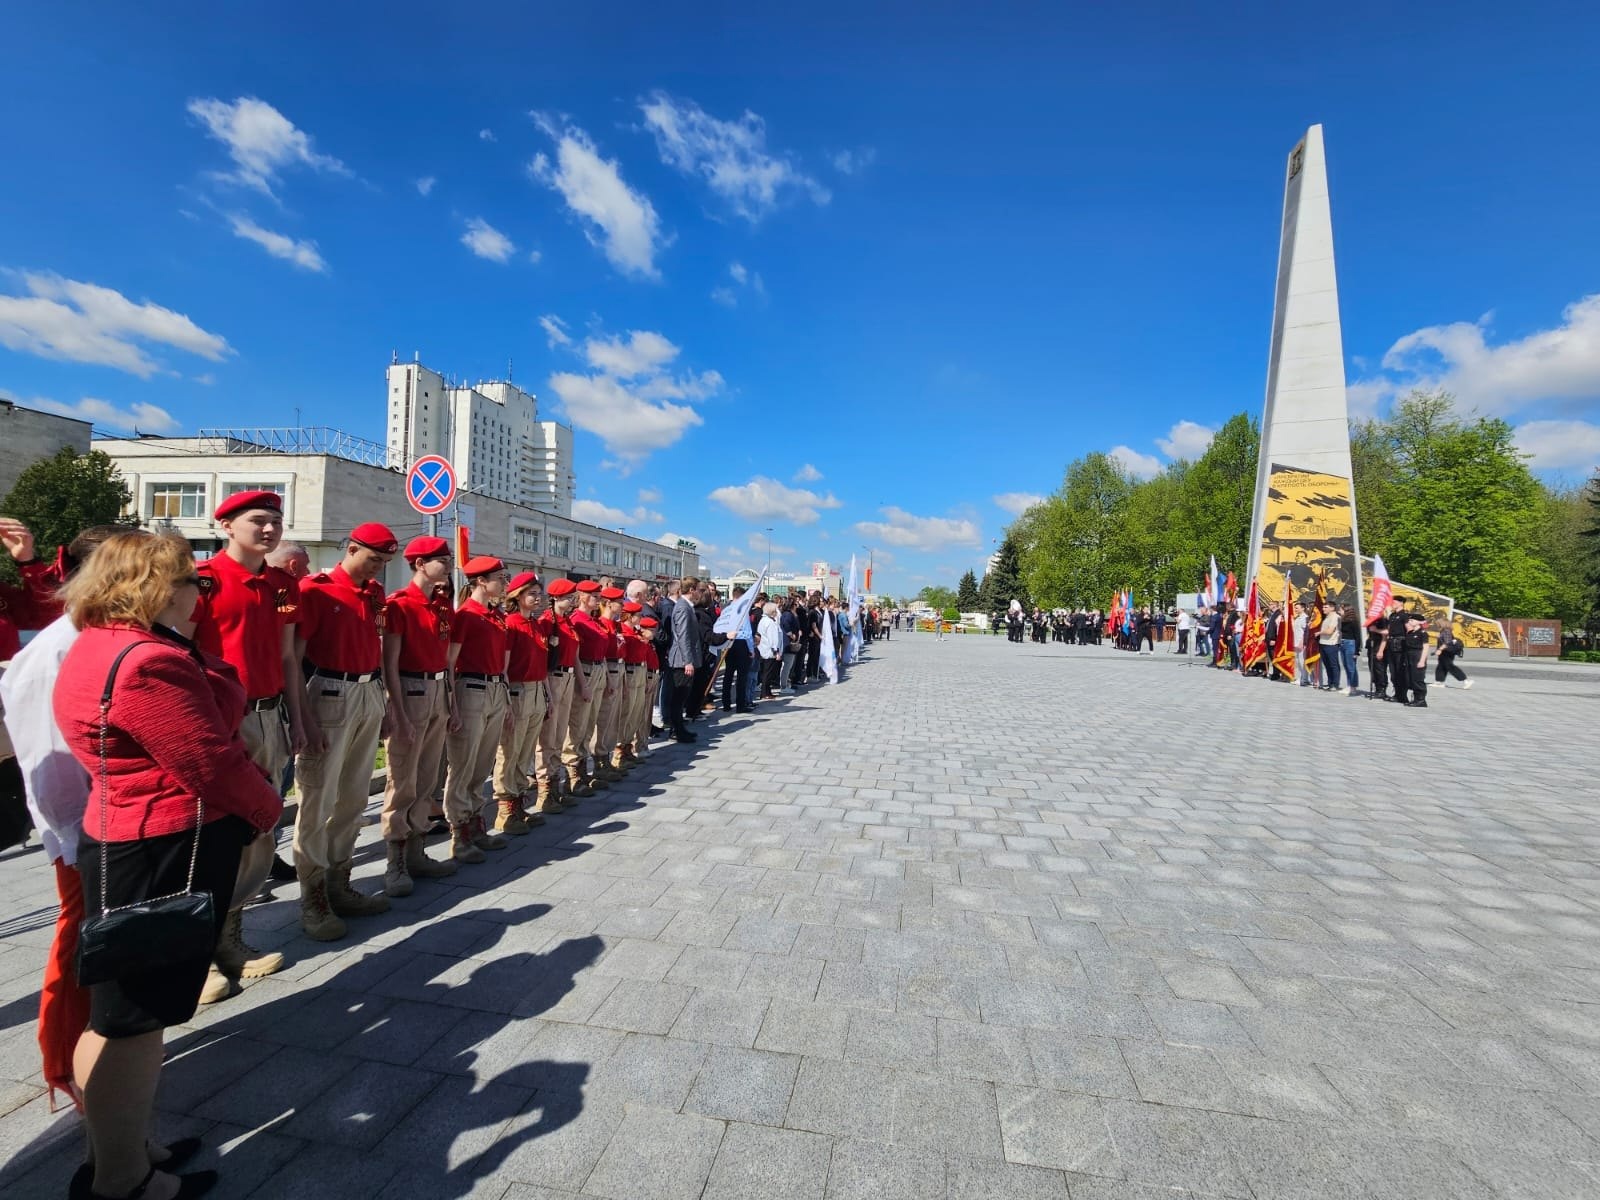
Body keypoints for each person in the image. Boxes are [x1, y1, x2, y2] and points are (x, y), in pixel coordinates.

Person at [54, 530, 284, 1200]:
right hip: (161, 848)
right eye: (194, 582)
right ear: (153, 586)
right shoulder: (147, 660)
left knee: (118, 1015)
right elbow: (210, 760)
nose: (201, 594)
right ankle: (124, 1180)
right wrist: (268, 810)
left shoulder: (101, 643)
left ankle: (118, 1149)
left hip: (129, 839)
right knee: (133, 1022)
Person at [0, 525, 125, 1120]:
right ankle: (67, 1067)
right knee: (81, 940)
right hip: (84, 833)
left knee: (103, 943)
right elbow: (48, 766)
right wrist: (79, 842)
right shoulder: (54, 651)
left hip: (111, 824)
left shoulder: (99, 635)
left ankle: (102, 1058)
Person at [189, 490, 302, 1003]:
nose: (269, 529)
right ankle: (197, 954)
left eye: (276, 521)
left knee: (261, 829)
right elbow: (181, 657)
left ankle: (229, 938)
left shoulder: (280, 585)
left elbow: (286, 659)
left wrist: (295, 719)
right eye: (258, 520)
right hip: (218, 722)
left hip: (268, 716)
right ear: (227, 526)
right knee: (209, 836)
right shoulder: (203, 582)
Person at [293, 523, 397, 940]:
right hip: (329, 692)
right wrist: (303, 717)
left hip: (368, 690)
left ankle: (339, 882)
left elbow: (374, 648)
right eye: (373, 560)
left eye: (385, 563)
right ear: (351, 549)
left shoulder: (374, 594)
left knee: (353, 798)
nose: (378, 570)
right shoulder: (315, 590)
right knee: (317, 799)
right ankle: (312, 895)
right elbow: (294, 659)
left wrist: (385, 704)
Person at [377, 536, 461, 897]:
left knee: (427, 780)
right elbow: (389, 663)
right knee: (401, 782)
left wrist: (452, 704)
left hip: (438, 691)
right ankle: (394, 860)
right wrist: (396, 710)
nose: (447, 564)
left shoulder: (443, 607)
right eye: (441, 559)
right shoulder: (398, 604)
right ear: (419, 564)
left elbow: (447, 662)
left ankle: (417, 852)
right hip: (409, 692)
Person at [443, 556, 512, 863]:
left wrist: (506, 698)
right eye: (501, 577)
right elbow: (449, 663)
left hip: (495, 690)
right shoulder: (466, 615)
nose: (505, 582)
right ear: (482, 581)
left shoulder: (495, 616)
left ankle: (476, 824)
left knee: (482, 764)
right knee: (463, 766)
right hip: (470, 690)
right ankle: (459, 835)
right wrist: (452, 706)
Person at [495, 571, 551, 833]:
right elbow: (504, 667)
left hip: (537, 690)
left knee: (525, 751)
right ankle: (505, 811)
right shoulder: (511, 623)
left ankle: (518, 804)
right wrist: (505, 700)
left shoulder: (536, 625)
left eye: (539, 594)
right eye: (532, 594)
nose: (537, 598)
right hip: (517, 692)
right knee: (510, 751)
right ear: (517, 597)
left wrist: (546, 696)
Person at [535, 578, 579, 811]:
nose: (572, 601)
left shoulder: (567, 622)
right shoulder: (546, 622)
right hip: (552, 679)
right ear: (556, 598)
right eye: (569, 597)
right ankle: (545, 792)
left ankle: (555, 785)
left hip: (568, 677)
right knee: (547, 738)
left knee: (559, 736)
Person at [564, 580, 609, 793]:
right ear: (582, 596)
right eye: (594, 595)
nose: (598, 599)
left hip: (598, 670)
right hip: (586, 671)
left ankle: (582, 771)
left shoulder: (593, 620)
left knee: (589, 725)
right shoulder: (577, 620)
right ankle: (572, 776)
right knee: (578, 725)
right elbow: (574, 656)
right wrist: (583, 684)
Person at [667, 577, 703, 742]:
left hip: (685, 659)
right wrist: (688, 660)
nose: (700, 594)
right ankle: (676, 730)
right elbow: (683, 636)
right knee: (679, 696)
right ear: (692, 590)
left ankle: (679, 727)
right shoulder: (682, 607)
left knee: (682, 696)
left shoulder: (687, 606)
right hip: (682, 660)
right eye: (699, 590)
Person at [757, 602, 783, 698]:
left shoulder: (763, 620)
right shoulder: (770, 622)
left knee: (766, 672)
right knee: (768, 673)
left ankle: (767, 691)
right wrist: (776, 651)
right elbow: (773, 638)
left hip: (764, 649)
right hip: (769, 651)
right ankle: (765, 692)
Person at [1434, 625, 1472, 689]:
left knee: (1450, 667)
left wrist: (1439, 649)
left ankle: (1465, 681)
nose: (1437, 626)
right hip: (1445, 652)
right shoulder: (1445, 631)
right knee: (1441, 666)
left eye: (1438, 624)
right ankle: (1439, 682)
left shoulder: (1446, 632)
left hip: (1446, 652)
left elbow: (1447, 643)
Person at [1337, 603, 1362, 697]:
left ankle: (1353, 686)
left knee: (1351, 666)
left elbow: (1357, 636)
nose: (1339, 611)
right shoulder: (1342, 621)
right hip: (1342, 643)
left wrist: (1356, 651)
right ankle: (1348, 685)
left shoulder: (1353, 621)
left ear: (1346, 610)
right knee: (1346, 665)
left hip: (1350, 643)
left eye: (1341, 610)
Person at [1316, 603, 1342, 691]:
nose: (1323, 609)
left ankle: (1335, 684)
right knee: (1327, 665)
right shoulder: (1327, 617)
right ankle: (1330, 683)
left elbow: (1330, 631)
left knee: (1333, 665)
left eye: (1326, 607)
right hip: (1323, 643)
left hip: (1331, 644)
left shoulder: (1335, 617)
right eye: (1323, 607)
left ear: (1332, 608)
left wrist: (1319, 633)